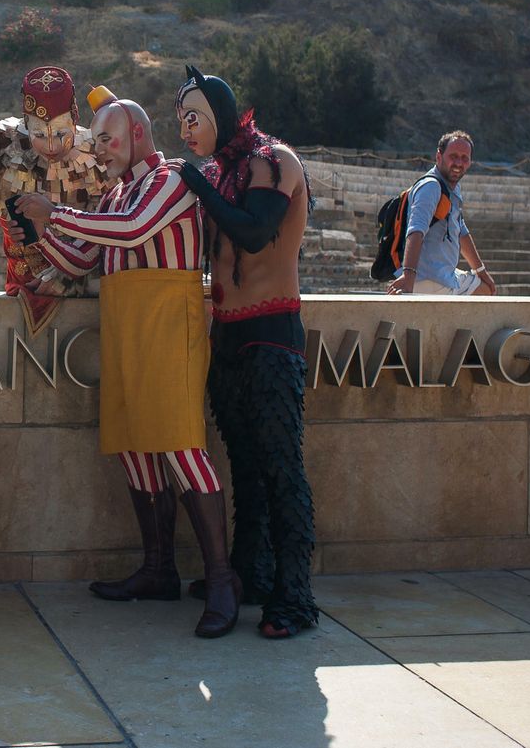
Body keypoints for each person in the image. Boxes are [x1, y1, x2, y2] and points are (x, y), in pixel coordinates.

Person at [12, 87, 238, 639]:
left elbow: (135, 230)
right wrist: (36, 230)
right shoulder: (113, 198)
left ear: (137, 135)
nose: (101, 152)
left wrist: (58, 213)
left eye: (108, 140)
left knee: (182, 446)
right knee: (134, 446)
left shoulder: (175, 179)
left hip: (168, 324)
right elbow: (84, 257)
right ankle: (158, 569)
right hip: (124, 325)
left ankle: (221, 581)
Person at [174, 67, 318, 640]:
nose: (185, 129)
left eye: (194, 118)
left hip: (272, 332)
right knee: (245, 468)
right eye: (180, 119)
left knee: (282, 469)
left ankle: (296, 595)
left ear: (220, 117)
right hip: (226, 335)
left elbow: (257, 232)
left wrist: (198, 185)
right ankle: (250, 575)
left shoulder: (273, 159)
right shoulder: (222, 170)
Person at [0, 65, 104, 335]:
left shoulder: (97, 154)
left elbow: (105, 230)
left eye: (61, 133)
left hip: (83, 285)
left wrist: (64, 275)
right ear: (26, 125)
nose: (51, 146)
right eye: (39, 135)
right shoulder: (4, 143)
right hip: (19, 285)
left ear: (74, 119)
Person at [387, 131, 496, 296]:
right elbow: (416, 231)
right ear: (439, 157)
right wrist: (408, 275)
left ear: (470, 162)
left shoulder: (451, 187)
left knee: (481, 285)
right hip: (429, 279)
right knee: (486, 291)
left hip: (438, 275)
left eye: (464, 158)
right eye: (453, 156)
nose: (458, 163)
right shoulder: (431, 187)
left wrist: (481, 271)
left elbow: (462, 232)